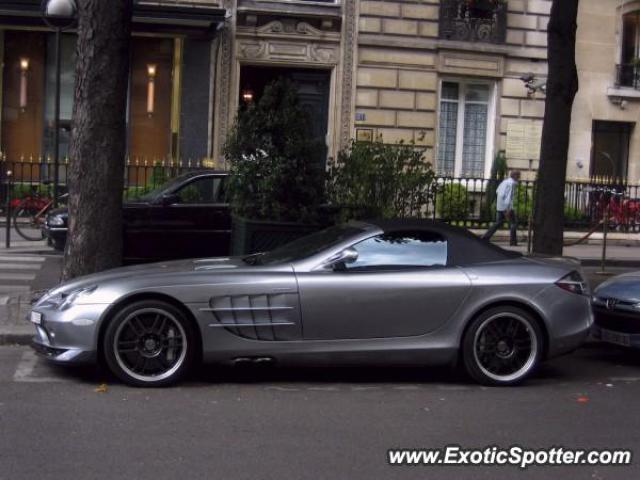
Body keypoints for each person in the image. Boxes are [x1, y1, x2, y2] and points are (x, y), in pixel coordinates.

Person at [483, 170, 520, 246]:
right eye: (518, 175)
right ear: (515, 176)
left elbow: (497, 191)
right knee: (513, 223)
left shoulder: (504, 182)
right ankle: (513, 242)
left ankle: (485, 237)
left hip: (500, 206)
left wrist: (500, 205)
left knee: (498, 223)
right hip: (507, 207)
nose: (519, 177)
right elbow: (509, 197)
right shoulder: (511, 184)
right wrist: (508, 209)